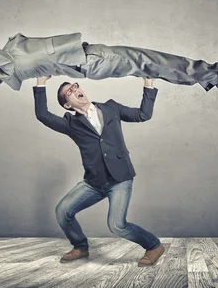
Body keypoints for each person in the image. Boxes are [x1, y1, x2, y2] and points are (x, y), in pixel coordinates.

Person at [33, 75, 164, 267]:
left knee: (117, 225)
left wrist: (148, 84)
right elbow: (42, 115)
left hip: (120, 179)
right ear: (67, 105)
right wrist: (41, 82)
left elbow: (142, 115)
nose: (75, 90)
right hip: (94, 182)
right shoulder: (71, 123)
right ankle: (80, 246)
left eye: (75, 86)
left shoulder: (111, 107)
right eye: (68, 92)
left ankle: (154, 246)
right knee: (63, 211)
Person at [0, 27, 218, 92]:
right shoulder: (7, 66)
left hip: (88, 59)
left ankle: (210, 76)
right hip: (90, 61)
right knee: (149, 61)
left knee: (149, 62)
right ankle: (212, 74)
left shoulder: (12, 65)